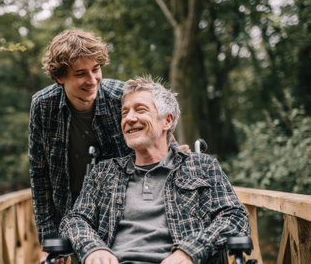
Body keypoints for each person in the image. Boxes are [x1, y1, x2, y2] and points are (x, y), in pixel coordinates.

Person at [28, 30, 189, 262]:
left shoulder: (120, 97)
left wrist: (183, 160)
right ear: (59, 78)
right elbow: (39, 174)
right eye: (81, 74)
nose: (92, 80)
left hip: (122, 211)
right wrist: (49, 239)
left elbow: (160, 141)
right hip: (72, 212)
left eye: (96, 69)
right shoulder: (43, 106)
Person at [59, 76, 250, 264]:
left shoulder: (201, 166)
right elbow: (74, 220)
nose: (130, 118)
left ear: (167, 121)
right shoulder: (104, 173)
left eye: (140, 110)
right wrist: (93, 247)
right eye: (124, 113)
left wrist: (190, 251)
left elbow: (235, 218)